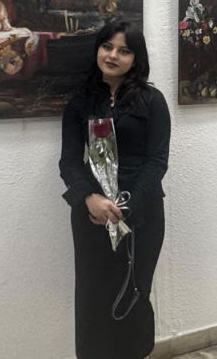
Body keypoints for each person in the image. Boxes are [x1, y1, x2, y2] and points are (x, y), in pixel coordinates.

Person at [59, 21, 170, 359]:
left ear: (136, 58)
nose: (113, 55)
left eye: (124, 50)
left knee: (134, 293)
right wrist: (88, 198)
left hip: (141, 216)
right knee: (93, 297)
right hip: (92, 216)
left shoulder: (152, 101)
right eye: (107, 46)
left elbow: (157, 162)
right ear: (97, 49)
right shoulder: (80, 103)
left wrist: (128, 208)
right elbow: (69, 163)